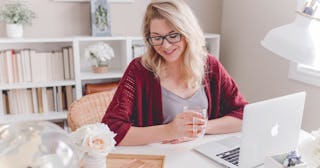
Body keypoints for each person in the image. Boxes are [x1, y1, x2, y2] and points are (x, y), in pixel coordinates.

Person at [101, 0, 247, 146]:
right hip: (159, 158)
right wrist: (169, 131)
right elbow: (111, 130)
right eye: (157, 37)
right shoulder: (139, 70)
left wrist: (199, 128)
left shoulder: (210, 65)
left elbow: (244, 115)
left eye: (173, 35)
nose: (165, 45)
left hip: (201, 155)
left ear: (187, 32)